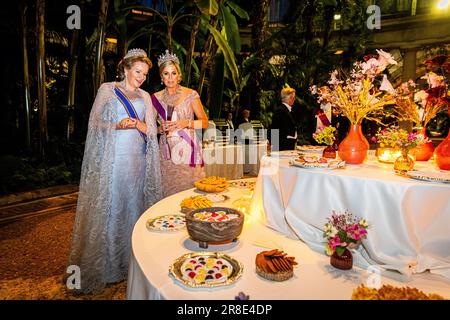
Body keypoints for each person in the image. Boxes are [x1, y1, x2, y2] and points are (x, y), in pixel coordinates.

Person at [67, 48, 162, 294]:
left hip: (138, 161)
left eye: (145, 73)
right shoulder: (108, 90)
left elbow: (154, 131)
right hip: (115, 159)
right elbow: (94, 122)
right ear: (126, 69)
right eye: (138, 72)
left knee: (134, 206)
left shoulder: (146, 97)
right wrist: (117, 125)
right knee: (113, 206)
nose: (141, 77)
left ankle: (132, 262)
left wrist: (142, 125)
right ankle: (108, 267)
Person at [151, 50, 208, 197]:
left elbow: (205, 123)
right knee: (169, 193)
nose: (170, 78)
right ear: (161, 77)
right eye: (166, 73)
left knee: (190, 192)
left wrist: (186, 123)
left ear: (179, 75)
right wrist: (160, 128)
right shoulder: (155, 99)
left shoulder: (191, 95)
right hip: (166, 153)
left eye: (173, 73)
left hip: (189, 150)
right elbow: (150, 129)